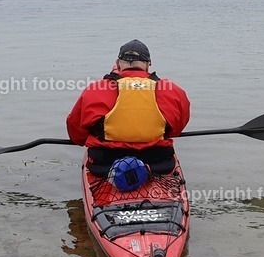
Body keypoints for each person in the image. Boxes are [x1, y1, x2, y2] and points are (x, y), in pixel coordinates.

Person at [66, 40, 190, 178]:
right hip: (157, 163)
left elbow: (76, 133)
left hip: (105, 165)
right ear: (148, 64)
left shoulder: (96, 89)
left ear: (118, 64)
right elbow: (176, 129)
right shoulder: (172, 90)